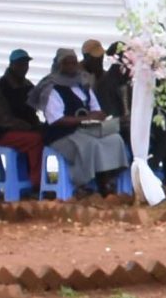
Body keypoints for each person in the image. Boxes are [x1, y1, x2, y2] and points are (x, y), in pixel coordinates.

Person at [38, 49, 130, 196]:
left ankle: (108, 178)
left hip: (86, 130)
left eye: (73, 63)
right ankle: (86, 184)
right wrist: (84, 119)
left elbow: (97, 111)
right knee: (91, 145)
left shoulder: (82, 85)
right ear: (58, 66)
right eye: (66, 63)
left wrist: (94, 117)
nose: (71, 66)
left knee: (115, 139)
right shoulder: (51, 89)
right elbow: (57, 119)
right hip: (61, 135)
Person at [0, 50, 47, 189]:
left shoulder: (28, 85)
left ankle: (38, 179)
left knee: (49, 133)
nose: (23, 68)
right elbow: (2, 118)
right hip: (3, 132)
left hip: (25, 129)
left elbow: (33, 111)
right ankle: (37, 183)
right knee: (36, 140)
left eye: (25, 64)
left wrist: (38, 125)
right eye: (20, 64)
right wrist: (26, 126)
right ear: (12, 65)